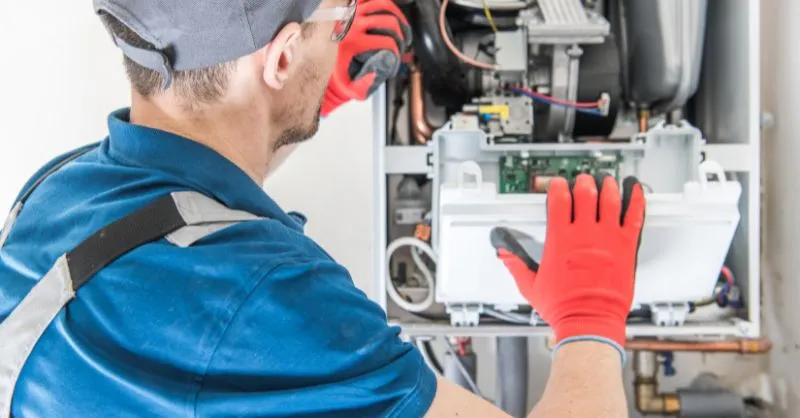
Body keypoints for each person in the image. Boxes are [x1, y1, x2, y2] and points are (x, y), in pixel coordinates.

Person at [0, 0, 645, 417]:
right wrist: (590, 320)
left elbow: (188, 212)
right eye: (337, 25)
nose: (344, 39)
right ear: (281, 58)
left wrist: (299, 105)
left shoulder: (61, 189)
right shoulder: (272, 300)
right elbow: (234, 306)